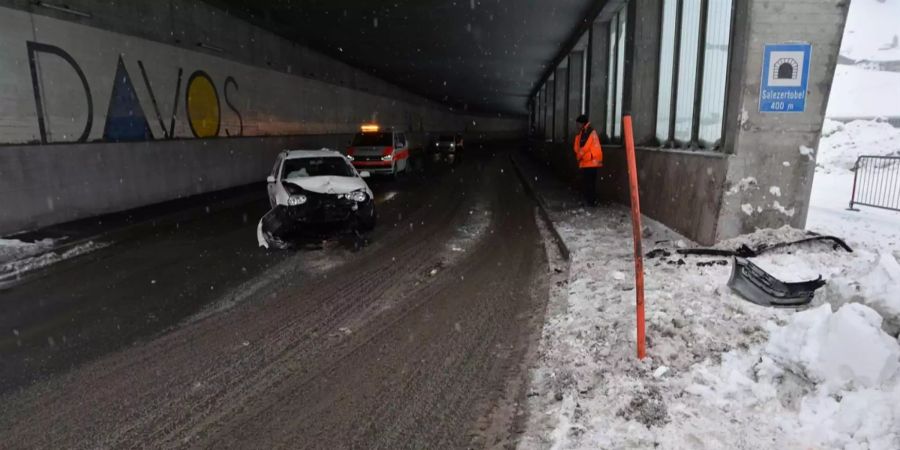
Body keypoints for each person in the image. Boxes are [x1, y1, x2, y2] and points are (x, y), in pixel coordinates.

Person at [573, 114, 603, 206]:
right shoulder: (584, 132)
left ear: (583, 123)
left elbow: (583, 148)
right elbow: (577, 147)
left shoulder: (588, 132)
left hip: (591, 162)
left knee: (589, 183)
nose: (577, 126)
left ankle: (591, 202)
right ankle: (591, 201)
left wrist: (579, 156)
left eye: (578, 124)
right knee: (589, 183)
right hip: (589, 162)